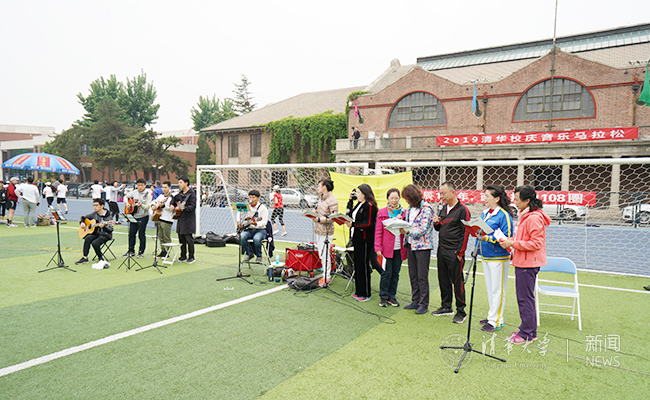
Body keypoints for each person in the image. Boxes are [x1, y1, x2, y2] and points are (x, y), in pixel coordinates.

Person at [500, 185, 551, 344]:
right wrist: (512, 241)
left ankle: (527, 333)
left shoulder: (533, 218)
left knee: (525, 299)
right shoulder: (527, 215)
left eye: (517, 199)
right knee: (526, 298)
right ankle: (529, 330)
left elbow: (536, 243)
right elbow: (525, 239)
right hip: (524, 261)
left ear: (527, 200)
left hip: (528, 264)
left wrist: (513, 243)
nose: (515, 202)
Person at [477, 185, 514, 332]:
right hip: (486, 255)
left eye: (487, 196)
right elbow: (481, 231)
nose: (485, 198)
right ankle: (492, 316)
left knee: (497, 289)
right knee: (490, 288)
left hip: (499, 257)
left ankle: (496, 321)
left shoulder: (504, 215)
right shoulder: (485, 213)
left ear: (497, 198)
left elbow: (507, 237)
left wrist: (487, 238)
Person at [432, 181, 471, 323]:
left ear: (453, 192)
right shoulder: (442, 208)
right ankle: (446, 306)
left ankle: (461, 311)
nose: (441, 196)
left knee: (457, 281)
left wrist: (460, 253)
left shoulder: (463, 210)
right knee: (443, 280)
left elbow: (466, 232)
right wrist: (436, 223)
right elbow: (439, 228)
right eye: (440, 193)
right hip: (441, 250)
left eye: (443, 193)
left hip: (454, 252)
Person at [400, 184, 435, 314]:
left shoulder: (427, 209)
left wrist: (407, 231)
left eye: (407, 199)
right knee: (413, 274)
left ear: (412, 198)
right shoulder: (410, 208)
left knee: (422, 276)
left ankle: (424, 303)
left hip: (423, 247)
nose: (406, 201)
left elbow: (422, 229)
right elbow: (408, 222)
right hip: (410, 244)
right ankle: (415, 300)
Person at [375, 188, 407, 307]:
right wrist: (378, 247)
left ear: (399, 198)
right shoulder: (382, 212)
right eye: (391, 198)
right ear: (387, 199)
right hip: (386, 249)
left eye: (396, 198)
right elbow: (378, 231)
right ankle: (383, 296)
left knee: (395, 273)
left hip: (399, 248)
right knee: (386, 273)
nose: (394, 200)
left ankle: (392, 296)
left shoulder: (404, 213)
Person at [345, 184, 377, 302]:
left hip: (365, 240)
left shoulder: (369, 206)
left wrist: (353, 224)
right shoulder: (359, 204)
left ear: (364, 194)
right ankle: (359, 291)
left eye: (358, 192)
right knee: (357, 265)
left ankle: (366, 293)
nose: (356, 194)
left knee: (364, 266)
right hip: (356, 238)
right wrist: (350, 201)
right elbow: (350, 215)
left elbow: (368, 223)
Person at [314, 178, 338, 287]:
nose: (318, 188)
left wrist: (319, 219)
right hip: (318, 229)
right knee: (321, 254)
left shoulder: (332, 200)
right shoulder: (321, 198)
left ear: (324, 187)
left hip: (326, 231)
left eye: (319, 186)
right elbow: (321, 212)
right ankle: (325, 273)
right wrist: (315, 213)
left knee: (325, 254)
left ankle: (327, 277)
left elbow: (333, 217)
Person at [76, 198, 114, 268]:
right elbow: (83, 217)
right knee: (88, 238)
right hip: (96, 233)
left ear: (102, 206)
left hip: (106, 235)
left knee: (95, 243)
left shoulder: (108, 217)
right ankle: (85, 258)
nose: (95, 207)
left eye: (96, 205)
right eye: (94, 205)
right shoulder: (94, 214)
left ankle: (100, 258)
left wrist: (104, 227)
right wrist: (82, 223)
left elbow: (110, 230)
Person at [122, 178, 152, 258]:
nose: (140, 187)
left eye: (142, 185)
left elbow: (148, 206)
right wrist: (127, 203)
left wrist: (141, 205)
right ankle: (131, 250)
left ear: (145, 185)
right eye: (138, 185)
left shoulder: (148, 194)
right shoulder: (134, 192)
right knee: (131, 233)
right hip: (134, 216)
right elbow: (125, 197)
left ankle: (141, 251)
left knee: (141, 234)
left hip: (143, 216)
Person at [238, 189, 268, 264]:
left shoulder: (263, 208)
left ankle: (259, 256)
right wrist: (238, 221)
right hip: (249, 229)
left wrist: (256, 224)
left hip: (260, 230)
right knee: (242, 237)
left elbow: (264, 222)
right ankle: (249, 254)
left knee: (257, 238)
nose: (251, 199)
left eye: (253, 197)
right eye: (250, 197)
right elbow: (239, 213)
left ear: (258, 198)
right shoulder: (247, 206)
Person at [171, 176, 197, 263]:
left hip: (189, 220)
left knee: (189, 239)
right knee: (181, 238)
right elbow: (173, 199)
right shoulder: (180, 194)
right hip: (181, 219)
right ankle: (183, 256)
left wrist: (183, 208)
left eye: (181, 182)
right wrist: (172, 205)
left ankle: (191, 257)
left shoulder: (192, 194)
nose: (179, 184)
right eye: (178, 182)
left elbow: (192, 206)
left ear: (186, 183)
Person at [151, 180, 175, 258]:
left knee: (166, 237)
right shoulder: (161, 196)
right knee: (160, 236)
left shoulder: (171, 197)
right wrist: (153, 205)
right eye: (163, 187)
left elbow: (171, 208)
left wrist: (162, 206)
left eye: (165, 187)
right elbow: (154, 201)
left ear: (169, 188)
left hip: (167, 219)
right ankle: (163, 251)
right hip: (159, 218)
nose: (164, 189)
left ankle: (167, 252)